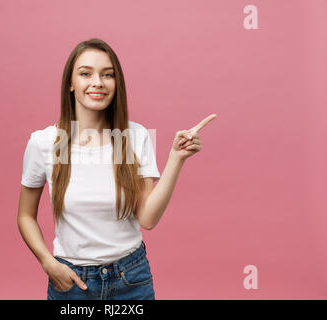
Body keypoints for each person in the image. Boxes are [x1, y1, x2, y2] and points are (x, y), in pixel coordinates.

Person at [17, 38, 216, 300]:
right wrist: (48, 263)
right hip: (72, 282)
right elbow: (25, 216)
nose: (97, 82)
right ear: (70, 83)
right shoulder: (44, 142)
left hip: (130, 279)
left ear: (116, 83)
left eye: (107, 74)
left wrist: (176, 158)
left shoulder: (134, 136)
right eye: (85, 73)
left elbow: (148, 219)